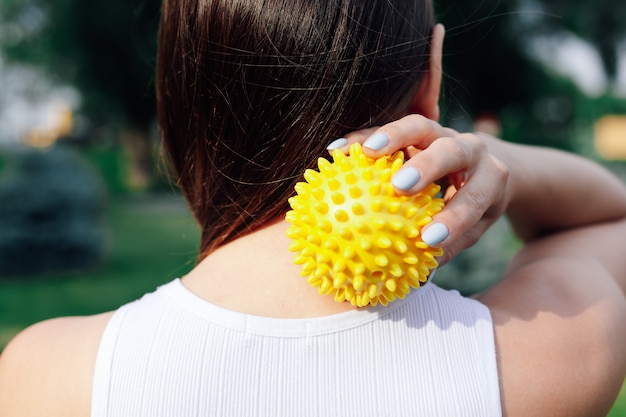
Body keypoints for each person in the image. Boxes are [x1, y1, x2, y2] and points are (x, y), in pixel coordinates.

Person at [1, 0, 626, 415]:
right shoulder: (558, 347)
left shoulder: (45, 376)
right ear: (430, 80)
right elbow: (610, 216)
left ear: (178, 98)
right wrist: (491, 158)